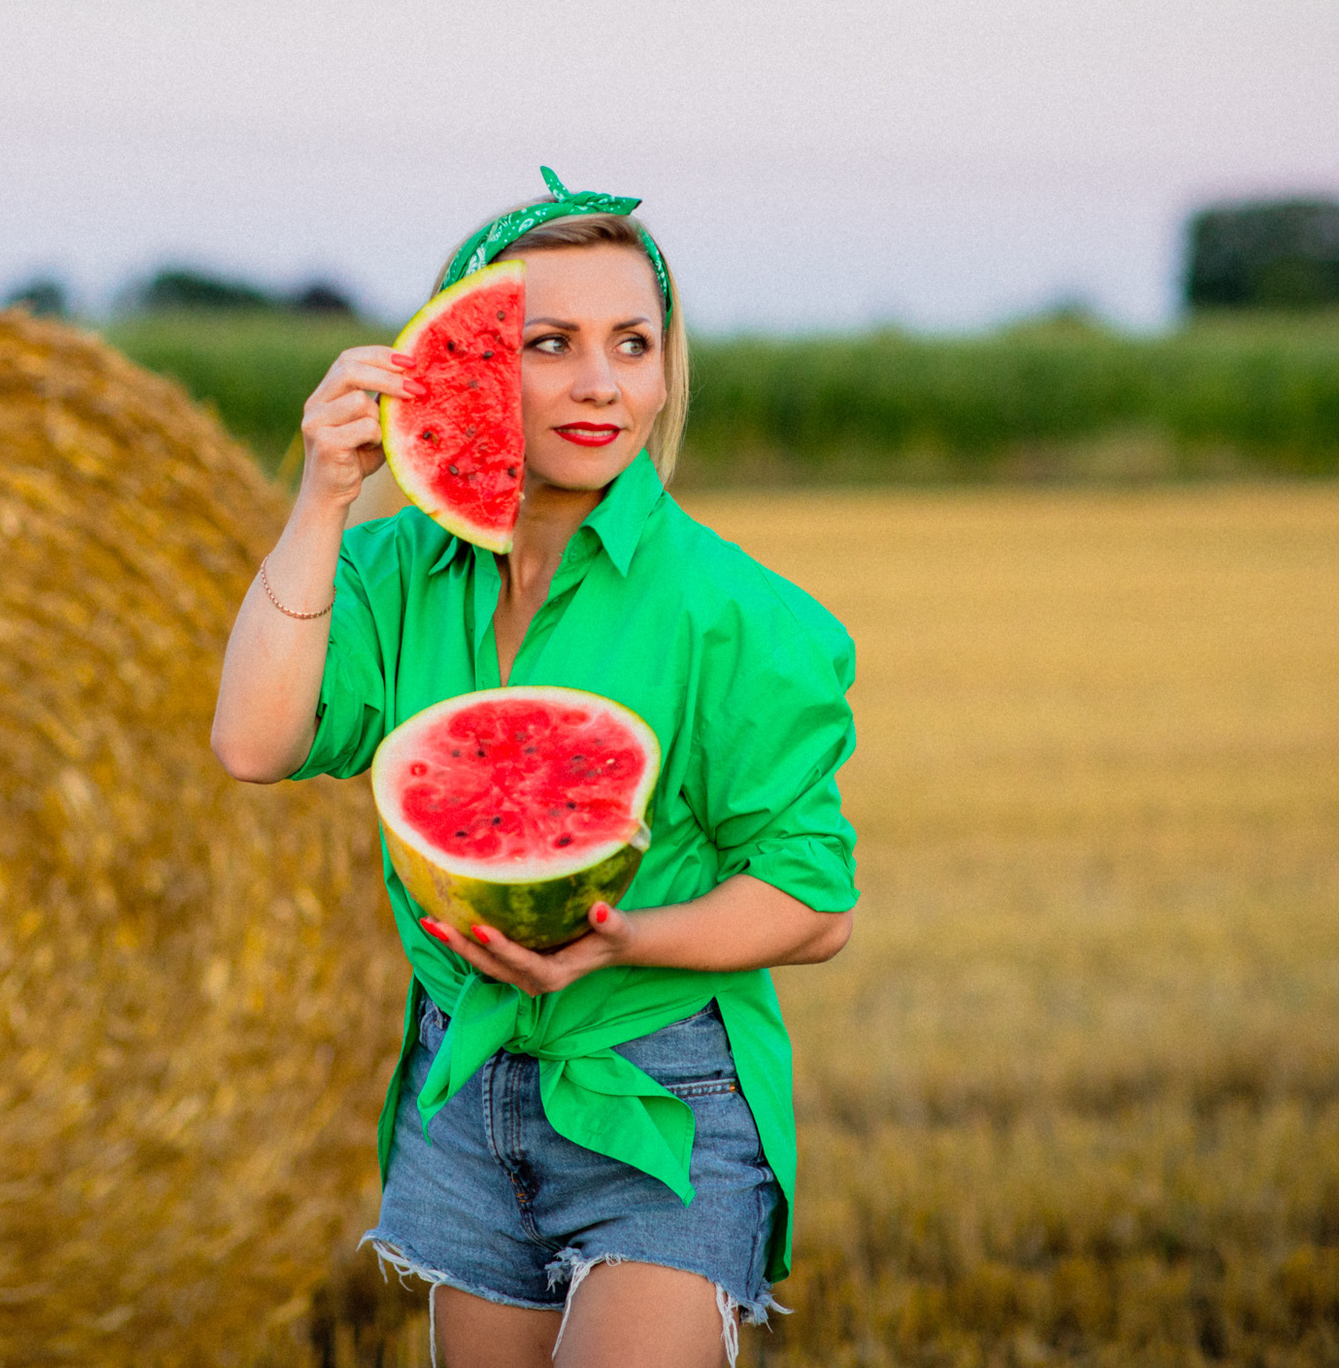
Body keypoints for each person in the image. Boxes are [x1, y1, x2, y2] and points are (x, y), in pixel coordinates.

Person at [211, 170, 859, 1368]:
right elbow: (254, 742)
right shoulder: (396, 573)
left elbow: (815, 902)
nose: (602, 382)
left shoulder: (734, 615)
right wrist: (321, 497)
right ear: (461, 369)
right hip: (464, 1089)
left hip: (660, 1092)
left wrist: (622, 940)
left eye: (633, 343)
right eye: (549, 344)